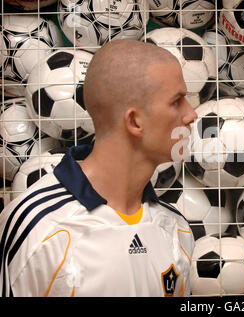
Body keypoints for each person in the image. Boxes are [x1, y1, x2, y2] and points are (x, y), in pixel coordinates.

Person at [0, 39, 198, 296]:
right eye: (177, 100)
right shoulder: (38, 228)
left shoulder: (176, 229)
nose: (192, 114)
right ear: (135, 121)